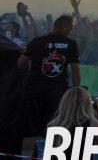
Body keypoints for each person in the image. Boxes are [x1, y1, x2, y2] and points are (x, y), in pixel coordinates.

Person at [18, 15, 80, 155]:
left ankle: (26, 157)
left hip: (34, 91)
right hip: (56, 93)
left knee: (30, 130)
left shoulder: (37, 42)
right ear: (62, 26)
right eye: (69, 28)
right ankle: (54, 157)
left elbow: (21, 63)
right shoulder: (70, 44)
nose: (70, 31)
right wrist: (76, 90)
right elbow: (75, 69)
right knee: (56, 128)